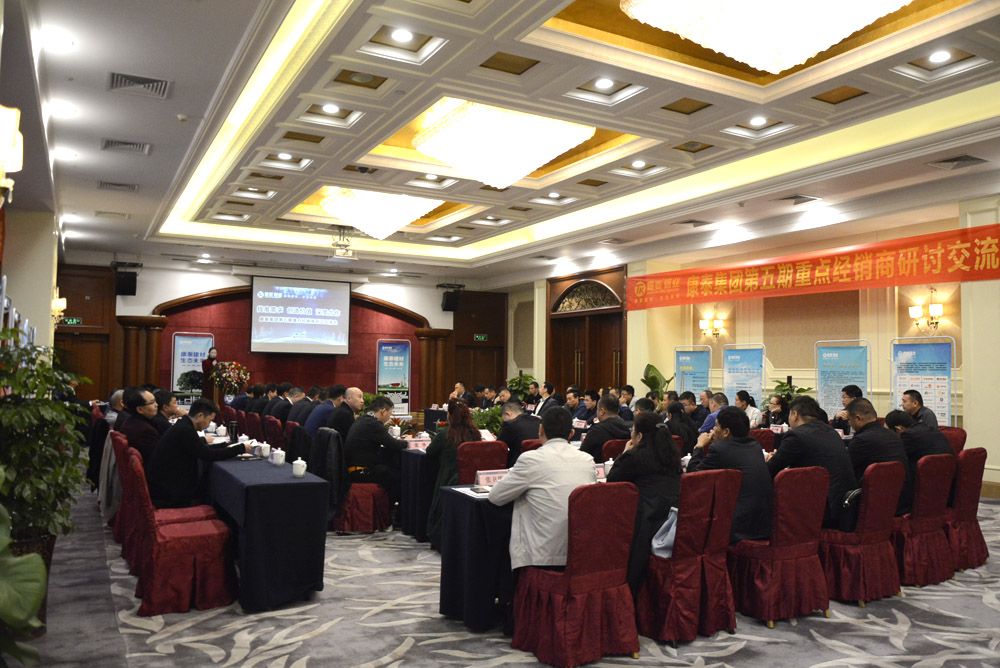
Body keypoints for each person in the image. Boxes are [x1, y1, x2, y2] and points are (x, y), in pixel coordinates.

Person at [489, 407, 596, 572]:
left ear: (541, 430)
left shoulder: (531, 459)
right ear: (571, 433)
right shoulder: (587, 460)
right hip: (580, 552)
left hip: (542, 555)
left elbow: (496, 497)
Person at [607, 411, 682, 596]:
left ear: (639, 436)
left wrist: (625, 453)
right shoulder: (672, 456)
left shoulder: (635, 457)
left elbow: (612, 483)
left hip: (646, 524)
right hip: (672, 521)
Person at [765, 396, 857, 528]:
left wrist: (773, 459)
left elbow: (770, 470)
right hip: (845, 505)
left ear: (795, 414)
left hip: (821, 510)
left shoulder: (796, 435)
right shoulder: (830, 431)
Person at [687, 406, 772, 543]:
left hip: (739, 527)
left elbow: (692, 478)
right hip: (765, 524)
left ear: (726, 432)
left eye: (716, 426)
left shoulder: (719, 449)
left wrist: (699, 447)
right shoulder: (755, 445)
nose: (713, 430)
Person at [147, 398, 250, 508]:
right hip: (169, 494)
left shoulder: (184, 424)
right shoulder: (185, 430)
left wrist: (225, 445)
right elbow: (208, 455)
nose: (208, 425)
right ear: (200, 416)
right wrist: (240, 448)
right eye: (209, 421)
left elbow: (201, 448)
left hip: (167, 485)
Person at [424, 400, 481, 549]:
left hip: (448, 479)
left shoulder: (445, 433)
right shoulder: (475, 434)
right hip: (471, 481)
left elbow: (429, 452)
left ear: (449, 414)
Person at [846, 398, 912, 515]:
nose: (850, 424)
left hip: (875, 507)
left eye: (849, 420)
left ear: (858, 418)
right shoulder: (892, 435)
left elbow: (846, 469)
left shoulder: (862, 440)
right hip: (901, 501)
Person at [344, 395, 409, 506]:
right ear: (383, 411)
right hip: (362, 471)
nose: (389, 417)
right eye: (390, 414)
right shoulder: (373, 424)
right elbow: (394, 444)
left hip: (353, 468)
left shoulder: (362, 419)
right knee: (401, 476)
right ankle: (392, 510)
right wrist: (409, 442)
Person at [884, 409, 954, 482]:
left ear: (898, 429)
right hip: (947, 480)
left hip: (925, 481)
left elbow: (893, 457)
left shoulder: (908, 436)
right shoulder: (931, 429)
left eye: (888, 432)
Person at [581, 395, 633, 462]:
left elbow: (582, 455)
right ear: (618, 410)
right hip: (625, 467)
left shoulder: (596, 431)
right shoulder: (632, 429)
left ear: (602, 411)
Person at [121, 388, 161, 465]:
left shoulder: (130, 421)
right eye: (152, 402)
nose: (156, 405)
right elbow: (158, 458)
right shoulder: (145, 431)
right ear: (140, 409)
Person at [497, 401, 542, 467]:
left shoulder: (510, 424)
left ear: (508, 414)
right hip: (540, 463)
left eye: (504, 420)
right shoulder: (539, 421)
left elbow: (498, 447)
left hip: (518, 465)